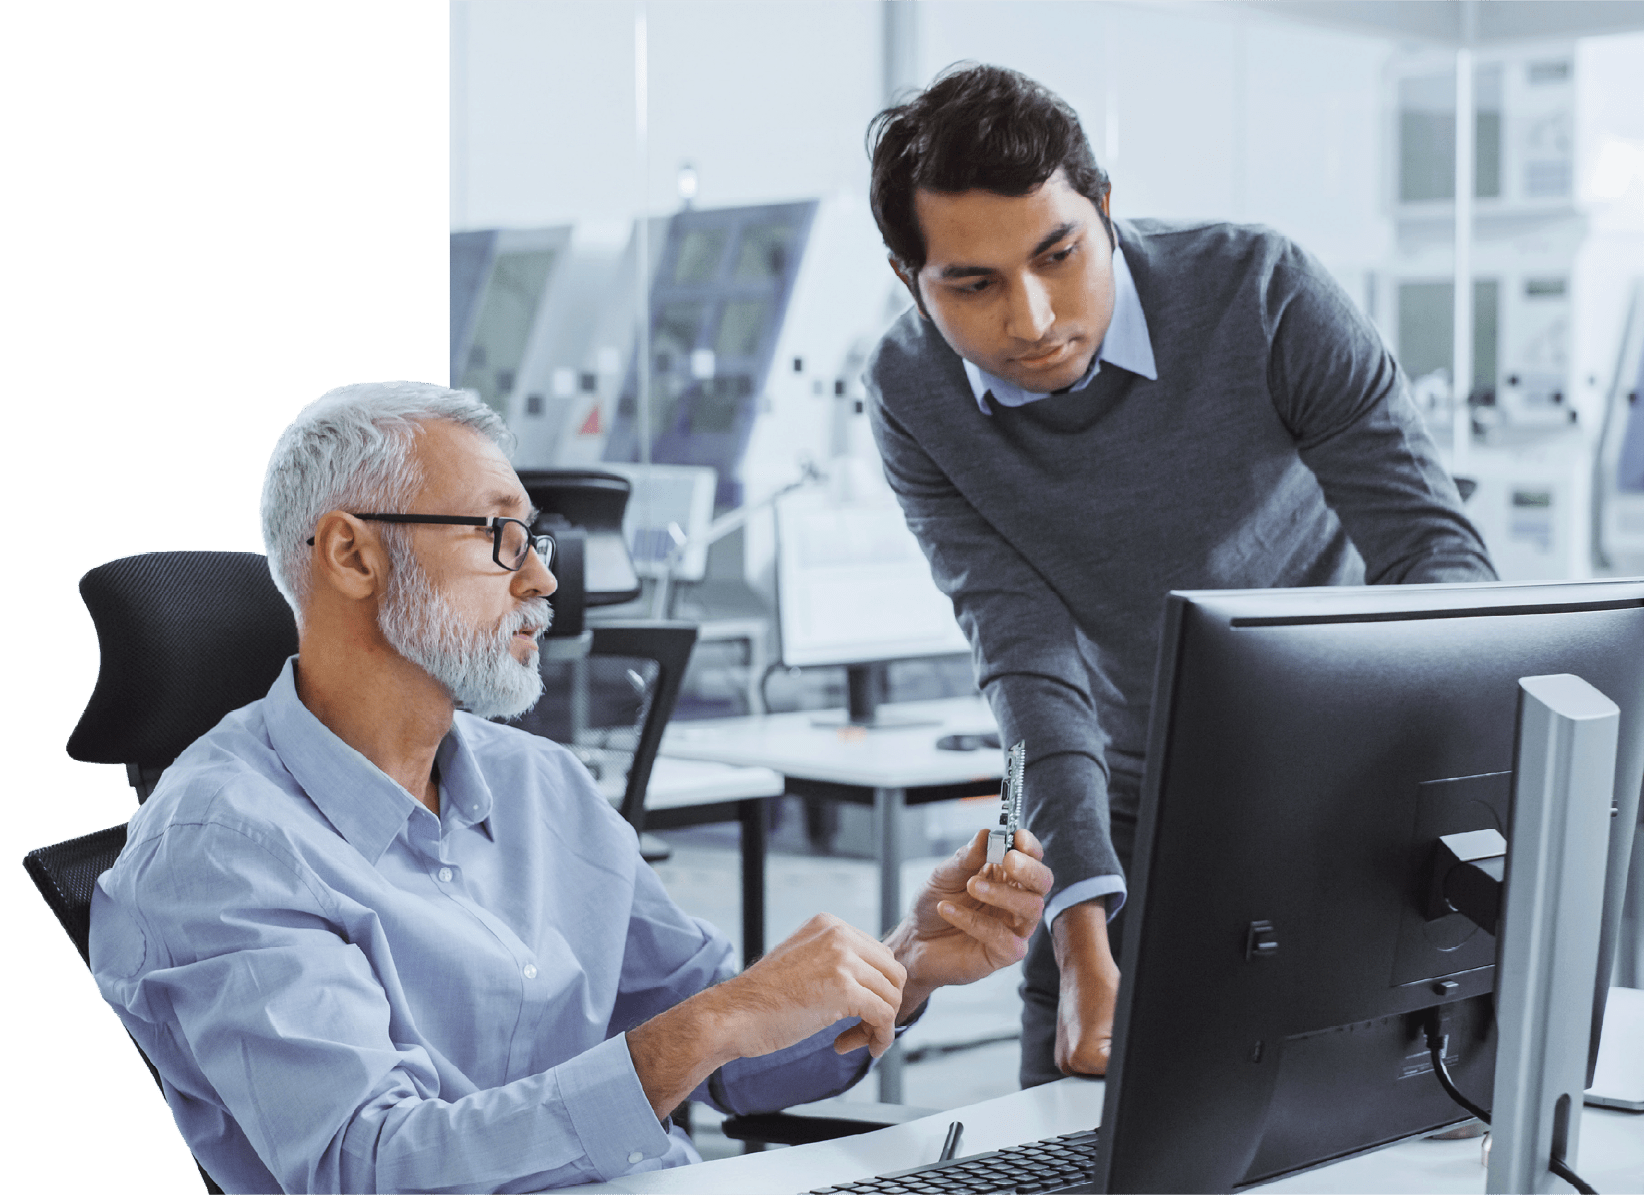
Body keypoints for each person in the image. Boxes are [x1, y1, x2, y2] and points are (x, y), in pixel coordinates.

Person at [88, 381, 1053, 1194]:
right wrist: (702, 1028)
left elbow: (726, 1055)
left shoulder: (540, 782)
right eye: (500, 535)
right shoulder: (223, 848)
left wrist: (906, 966)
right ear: (353, 554)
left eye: (535, 535)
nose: (544, 577)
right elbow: (369, 1164)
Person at [861, 65, 1497, 1089]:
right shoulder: (909, 391)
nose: (1031, 320)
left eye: (1059, 254)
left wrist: (1435, 804)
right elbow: (1027, 666)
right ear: (909, 279)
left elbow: (1435, 556)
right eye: (971, 284)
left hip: (1352, 776)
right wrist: (1080, 938)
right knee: (1070, 1133)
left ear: (1104, 211)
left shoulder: (1259, 290)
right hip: (1125, 804)